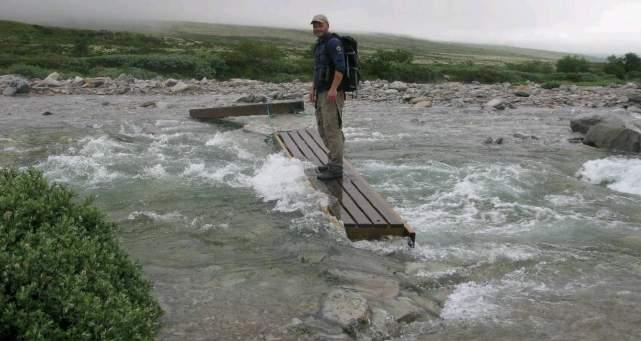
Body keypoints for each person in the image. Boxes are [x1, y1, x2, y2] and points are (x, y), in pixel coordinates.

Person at [310, 14, 346, 181]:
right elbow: (318, 70)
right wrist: (313, 89)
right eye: (315, 25)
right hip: (321, 92)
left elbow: (341, 68)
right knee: (323, 128)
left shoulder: (333, 43)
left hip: (332, 93)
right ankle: (332, 161)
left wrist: (333, 89)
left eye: (320, 25)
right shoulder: (319, 45)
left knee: (332, 130)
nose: (317, 28)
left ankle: (336, 168)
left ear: (327, 25)